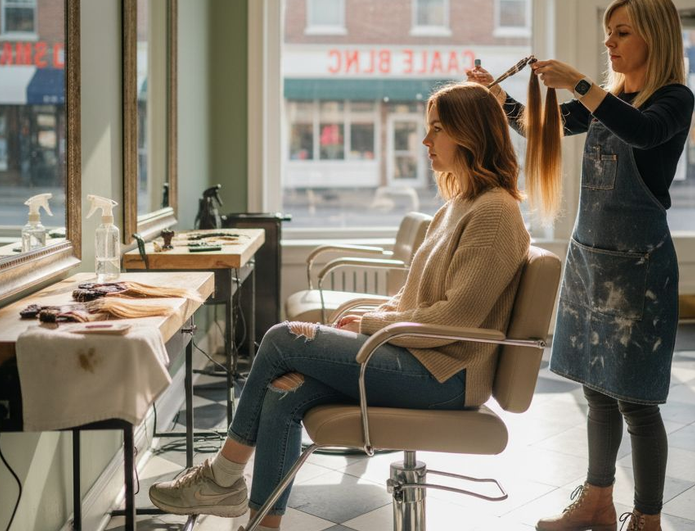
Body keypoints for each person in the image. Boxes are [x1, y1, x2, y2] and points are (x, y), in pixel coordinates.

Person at [148, 82, 531, 530]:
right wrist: (373, 320)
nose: (425, 140)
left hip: (446, 375)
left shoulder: (495, 213)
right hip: (421, 357)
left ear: (470, 133)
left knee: (282, 338)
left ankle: (222, 477)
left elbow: (455, 317)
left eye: (437, 129)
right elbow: (416, 297)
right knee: (284, 393)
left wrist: (372, 325)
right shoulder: (458, 205)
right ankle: (263, 524)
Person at [469, 0, 693, 531]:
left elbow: (642, 132)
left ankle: (647, 520)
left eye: (622, 32)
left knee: (636, 402)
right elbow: (540, 126)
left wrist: (579, 83)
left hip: (638, 271)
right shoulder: (608, 99)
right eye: (608, 32)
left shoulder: (673, 99)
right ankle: (597, 501)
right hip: (591, 261)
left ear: (655, 37)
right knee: (596, 391)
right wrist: (497, 97)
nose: (609, 42)